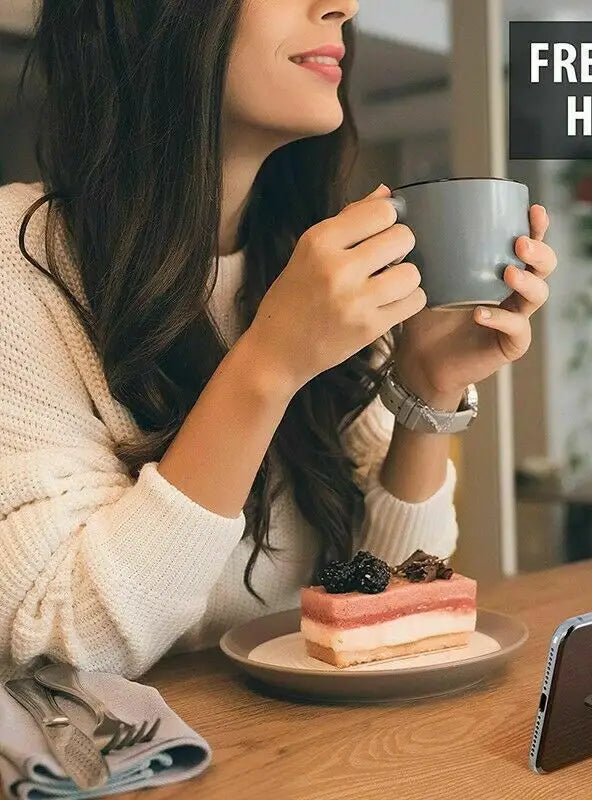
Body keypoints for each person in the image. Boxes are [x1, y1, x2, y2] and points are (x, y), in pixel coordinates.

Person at [0, 0, 556, 680]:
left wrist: (425, 388)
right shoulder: (18, 263)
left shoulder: (309, 270)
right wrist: (269, 362)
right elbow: (60, 647)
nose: (343, 6)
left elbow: (391, 602)